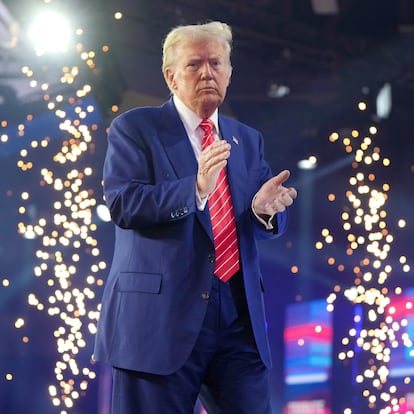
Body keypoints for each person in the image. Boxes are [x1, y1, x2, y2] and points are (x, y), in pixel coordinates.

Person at [93, 20, 297, 414]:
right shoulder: (135, 129)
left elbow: (254, 219)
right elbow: (124, 204)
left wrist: (262, 212)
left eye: (217, 63)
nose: (208, 72)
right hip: (158, 323)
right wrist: (196, 188)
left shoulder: (247, 139)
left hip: (238, 322)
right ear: (170, 76)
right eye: (194, 64)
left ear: (230, 72)